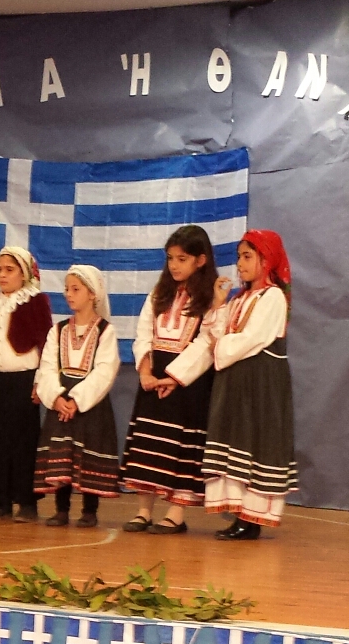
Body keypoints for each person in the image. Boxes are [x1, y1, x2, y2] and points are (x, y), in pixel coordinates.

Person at [120, 225, 221, 535]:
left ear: (201, 260)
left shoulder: (211, 297)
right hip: (154, 377)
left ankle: (176, 513)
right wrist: (145, 372)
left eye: (182, 259)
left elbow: (207, 342)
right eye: (170, 258)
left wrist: (176, 377)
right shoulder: (159, 293)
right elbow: (143, 333)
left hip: (189, 382)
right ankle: (143, 510)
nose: (174, 265)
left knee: (182, 447)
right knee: (149, 442)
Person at [202, 230, 299, 540]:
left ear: (266, 259)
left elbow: (252, 338)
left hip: (261, 384)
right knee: (236, 446)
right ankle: (239, 515)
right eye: (238, 257)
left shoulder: (273, 297)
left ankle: (251, 519)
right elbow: (216, 334)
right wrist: (219, 305)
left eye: (247, 257)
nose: (240, 264)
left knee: (255, 444)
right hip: (236, 383)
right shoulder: (239, 299)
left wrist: (221, 346)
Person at [0, 246, 52, 522]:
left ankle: (27, 502)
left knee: (23, 441)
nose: (2, 275)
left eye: (9, 270)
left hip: (23, 379)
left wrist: (40, 381)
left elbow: (46, 343)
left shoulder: (35, 300)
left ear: (24, 274)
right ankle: (0, 500)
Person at [34, 266, 121, 527]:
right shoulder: (58, 330)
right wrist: (57, 397)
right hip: (61, 401)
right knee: (62, 453)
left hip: (89, 404)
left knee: (88, 453)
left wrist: (77, 400)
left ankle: (89, 510)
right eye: (66, 289)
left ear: (92, 294)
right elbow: (47, 367)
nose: (69, 295)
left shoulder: (105, 331)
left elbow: (105, 370)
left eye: (75, 289)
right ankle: (61, 509)